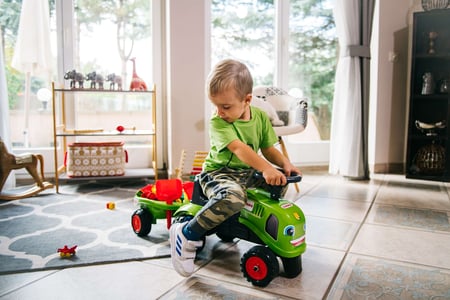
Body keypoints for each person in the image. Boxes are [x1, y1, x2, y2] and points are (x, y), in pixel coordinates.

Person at [169, 59, 302, 277]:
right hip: (217, 173)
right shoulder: (218, 122)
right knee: (233, 197)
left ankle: (245, 224)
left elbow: (268, 148)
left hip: (246, 173)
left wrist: (284, 165)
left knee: (279, 184)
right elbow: (239, 149)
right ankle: (186, 233)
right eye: (216, 106)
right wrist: (267, 168)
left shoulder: (259, 118)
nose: (219, 111)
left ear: (247, 100)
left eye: (226, 106)